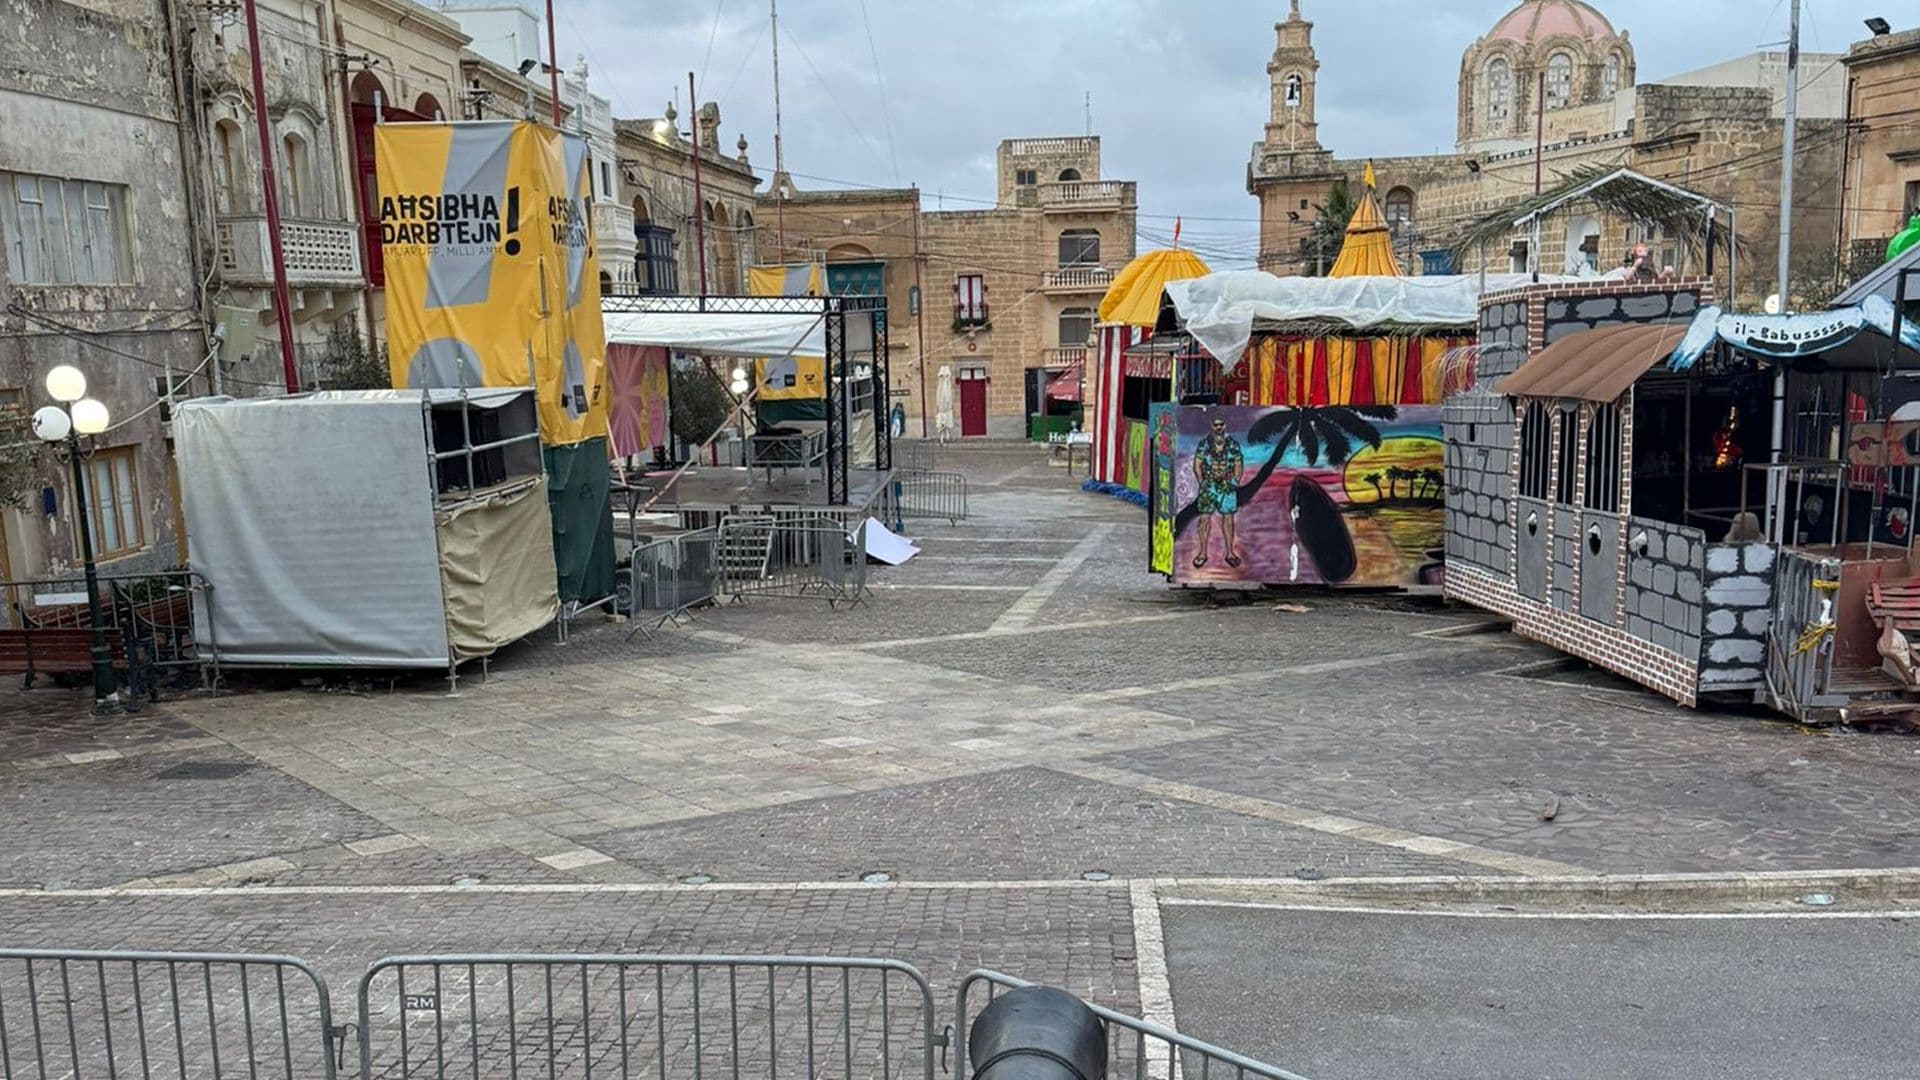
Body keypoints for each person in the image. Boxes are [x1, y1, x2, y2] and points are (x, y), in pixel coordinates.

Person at [1191, 415, 1245, 569]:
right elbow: (1197, 464)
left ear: (1225, 425)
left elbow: (1238, 464)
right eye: (1216, 425)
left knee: (1228, 519)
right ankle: (1202, 553)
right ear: (1211, 426)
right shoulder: (1204, 444)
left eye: (1221, 424)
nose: (1219, 427)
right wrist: (1202, 482)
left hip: (1226, 485)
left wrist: (1234, 482)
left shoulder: (1233, 444)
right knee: (1204, 519)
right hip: (1209, 485)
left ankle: (1229, 553)